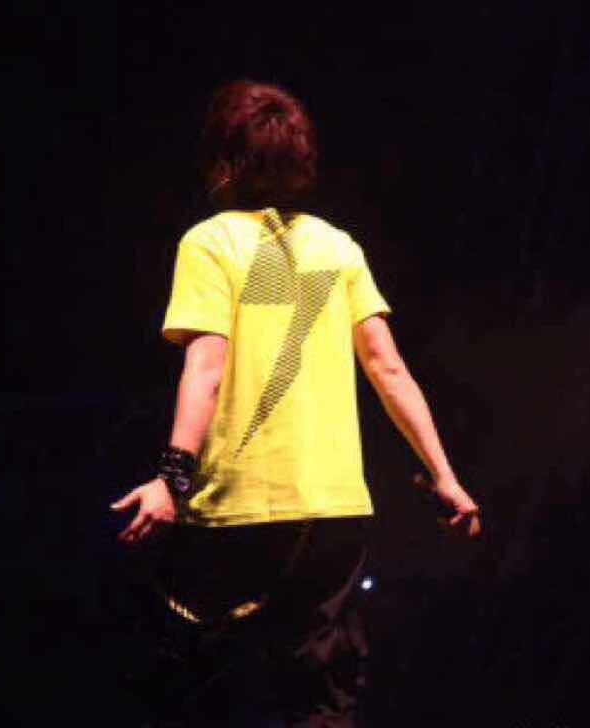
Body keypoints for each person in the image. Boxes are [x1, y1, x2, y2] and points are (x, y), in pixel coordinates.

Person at [110, 79, 482, 726]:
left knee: (202, 689)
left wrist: (171, 479)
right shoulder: (338, 247)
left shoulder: (211, 243)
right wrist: (445, 476)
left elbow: (207, 369)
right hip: (331, 516)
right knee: (320, 702)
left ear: (223, 158)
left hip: (236, 512)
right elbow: (389, 368)